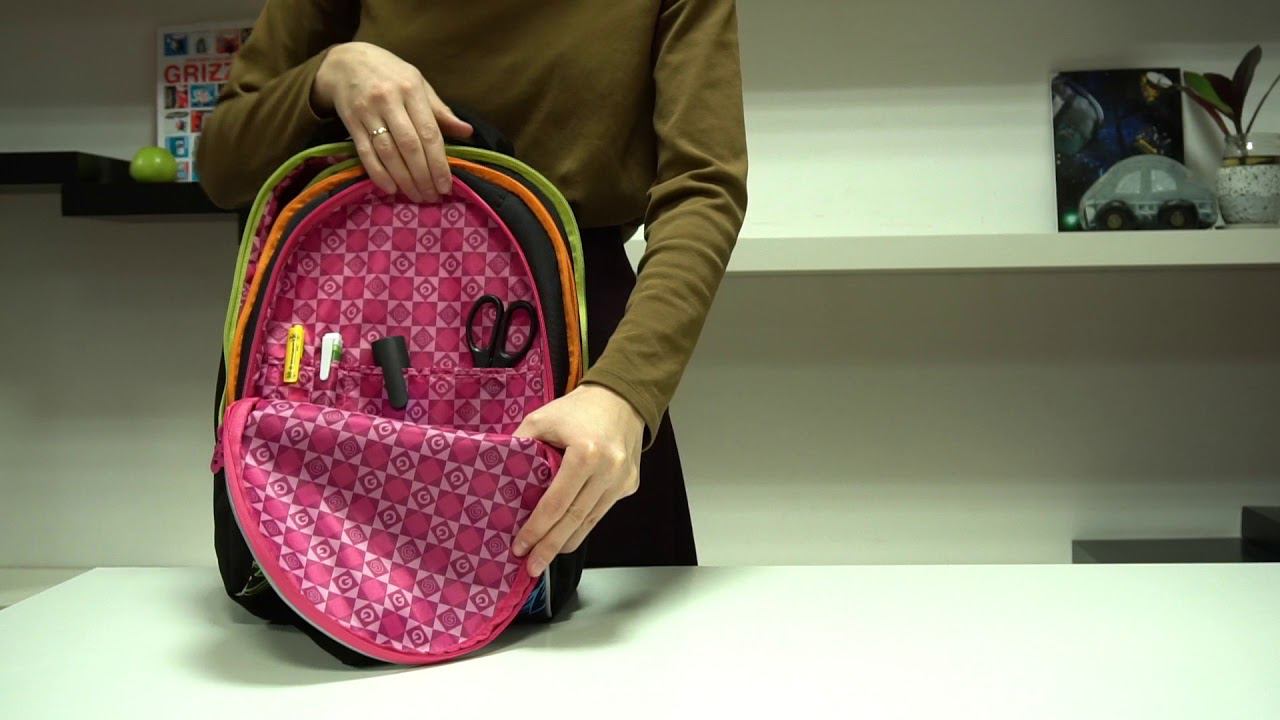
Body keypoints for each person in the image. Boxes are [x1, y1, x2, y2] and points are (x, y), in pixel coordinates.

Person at [197, 1, 747, 593]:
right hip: (359, 329)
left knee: (599, 625)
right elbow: (225, 165)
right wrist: (330, 73)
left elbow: (703, 187)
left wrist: (624, 391)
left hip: (581, 358)